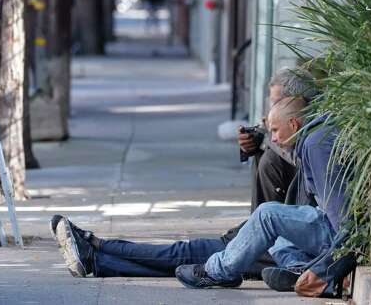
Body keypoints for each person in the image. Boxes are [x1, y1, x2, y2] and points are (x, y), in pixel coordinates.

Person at [49, 68, 318, 279]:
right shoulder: (292, 142)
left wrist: (266, 144)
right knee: (185, 256)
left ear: (296, 111)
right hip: (265, 233)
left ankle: (93, 245)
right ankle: (96, 257)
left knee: (185, 254)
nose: (270, 118)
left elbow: (300, 170)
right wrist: (253, 147)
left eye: (277, 107)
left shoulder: (316, 144)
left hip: (275, 242)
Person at [175, 96, 348, 292]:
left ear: (293, 124)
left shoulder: (315, 145)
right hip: (330, 231)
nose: (273, 138)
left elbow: (343, 220)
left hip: (337, 238)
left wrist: (327, 270)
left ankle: (216, 272)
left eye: (275, 130)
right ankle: (298, 272)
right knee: (280, 235)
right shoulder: (313, 139)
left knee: (267, 215)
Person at [240, 67, 318, 206]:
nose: (272, 109)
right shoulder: (288, 113)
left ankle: (269, 220)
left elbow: (300, 157)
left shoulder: (315, 121)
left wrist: (268, 137)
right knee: (262, 154)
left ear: (296, 100)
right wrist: (251, 143)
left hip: (311, 196)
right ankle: (260, 218)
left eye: (276, 103)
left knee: (270, 159)